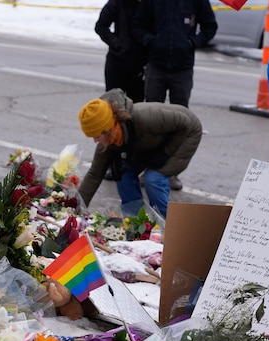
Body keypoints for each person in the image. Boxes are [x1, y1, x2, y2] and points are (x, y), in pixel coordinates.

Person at [76, 89, 202, 219]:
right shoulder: (108, 141)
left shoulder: (144, 117)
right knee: (122, 174)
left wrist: (164, 153)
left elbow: (184, 123)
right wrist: (74, 209)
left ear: (109, 128)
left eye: (96, 136)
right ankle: (135, 223)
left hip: (184, 134)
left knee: (153, 179)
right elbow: (94, 174)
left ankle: (167, 225)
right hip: (151, 142)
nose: (95, 141)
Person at [131, 0, 216, 190]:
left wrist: (193, 42)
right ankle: (148, 169)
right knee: (150, 121)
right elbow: (137, 25)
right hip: (156, 65)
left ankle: (171, 173)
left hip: (183, 68)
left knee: (181, 123)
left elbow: (210, 26)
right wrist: (150, 41)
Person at [95, 0, 145, 104]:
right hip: (117, 63)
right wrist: (117, 44)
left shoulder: (148, 4)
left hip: (140, 65)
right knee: (114, 105)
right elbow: (101, 27)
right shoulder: (116, 3)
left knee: (136, 108)